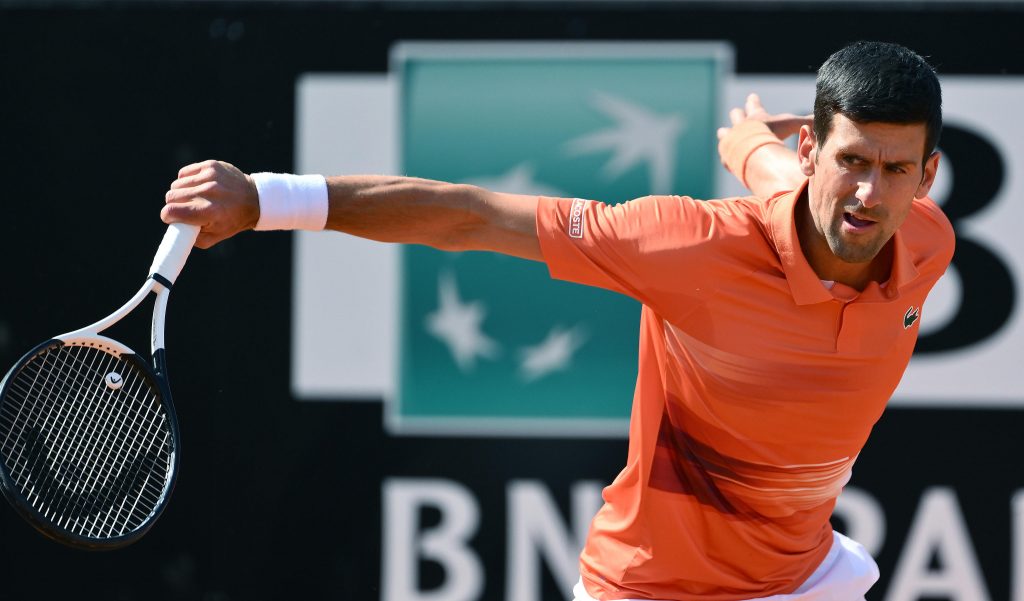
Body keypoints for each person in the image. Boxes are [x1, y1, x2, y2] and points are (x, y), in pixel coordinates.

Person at [162, 41, 953, 601]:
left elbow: (791, 180)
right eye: (851, 161)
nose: (868, 195)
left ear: (927, 176)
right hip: (652, 587)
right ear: (814, 148)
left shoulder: (926, 239)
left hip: (802, 580)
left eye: (893, 171)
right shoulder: (690, 245)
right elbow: (473, 216)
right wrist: (268, 198)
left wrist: (747, 143)